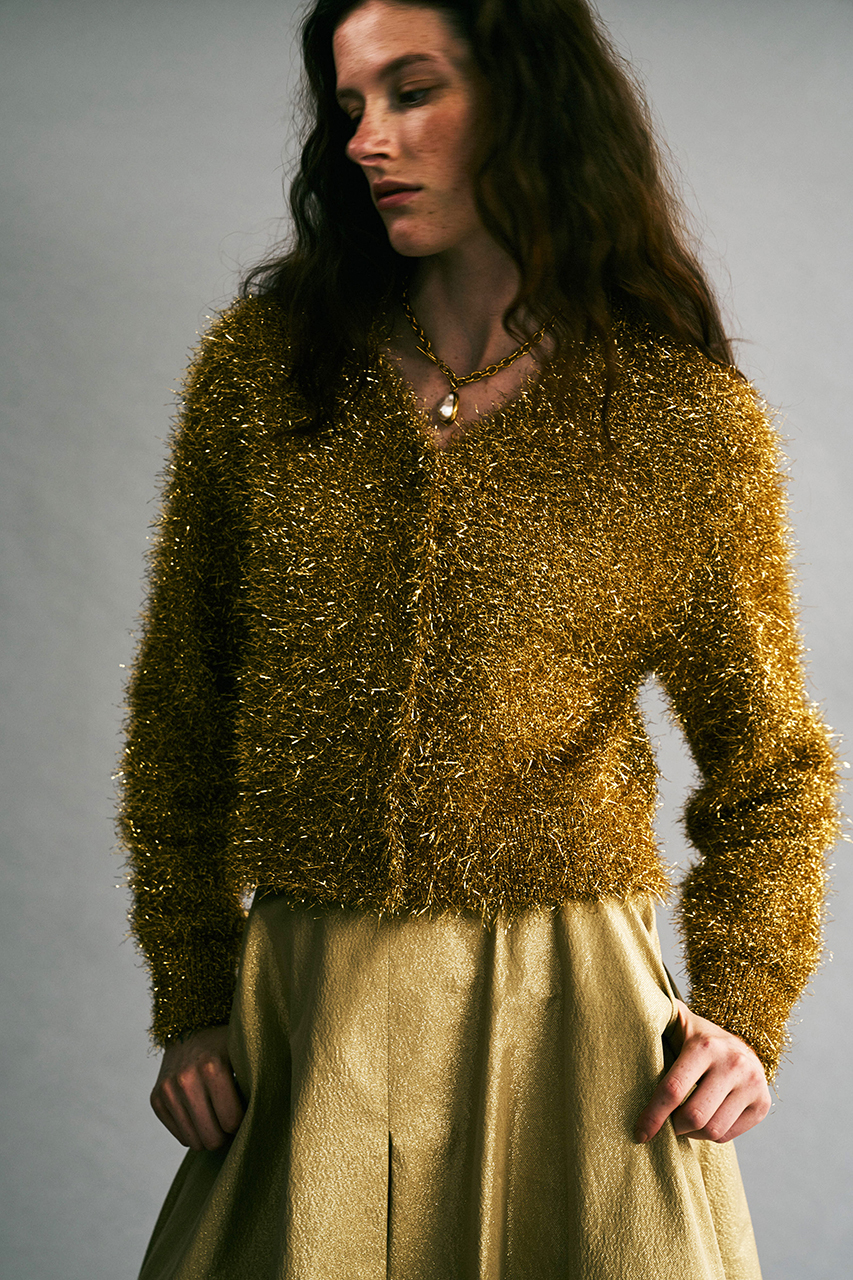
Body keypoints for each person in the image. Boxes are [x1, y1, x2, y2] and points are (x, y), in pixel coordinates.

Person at [118, 1, 839, 1276]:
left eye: (412, 92)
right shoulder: (266, 372)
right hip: (308, 1004)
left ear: (527, 98)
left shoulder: (680, 420)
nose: (365, 140)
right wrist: (191, 988)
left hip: (576, 1025)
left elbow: (774, 765)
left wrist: (741, 1010)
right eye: (348, 106)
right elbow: (182, 710)